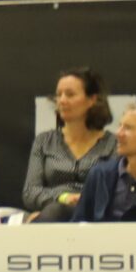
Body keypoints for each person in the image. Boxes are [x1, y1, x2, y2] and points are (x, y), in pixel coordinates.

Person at [19, 68, 117, 217]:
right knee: (54, 211)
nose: (62, 101)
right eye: (59, 95)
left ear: (91, 100)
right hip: (53, 212)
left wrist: (84, 198)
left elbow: (116, 189)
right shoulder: (45, 141)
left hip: (96, 215)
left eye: (70, 94)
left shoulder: (113, 144)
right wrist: (63, 197)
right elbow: (30, 192)